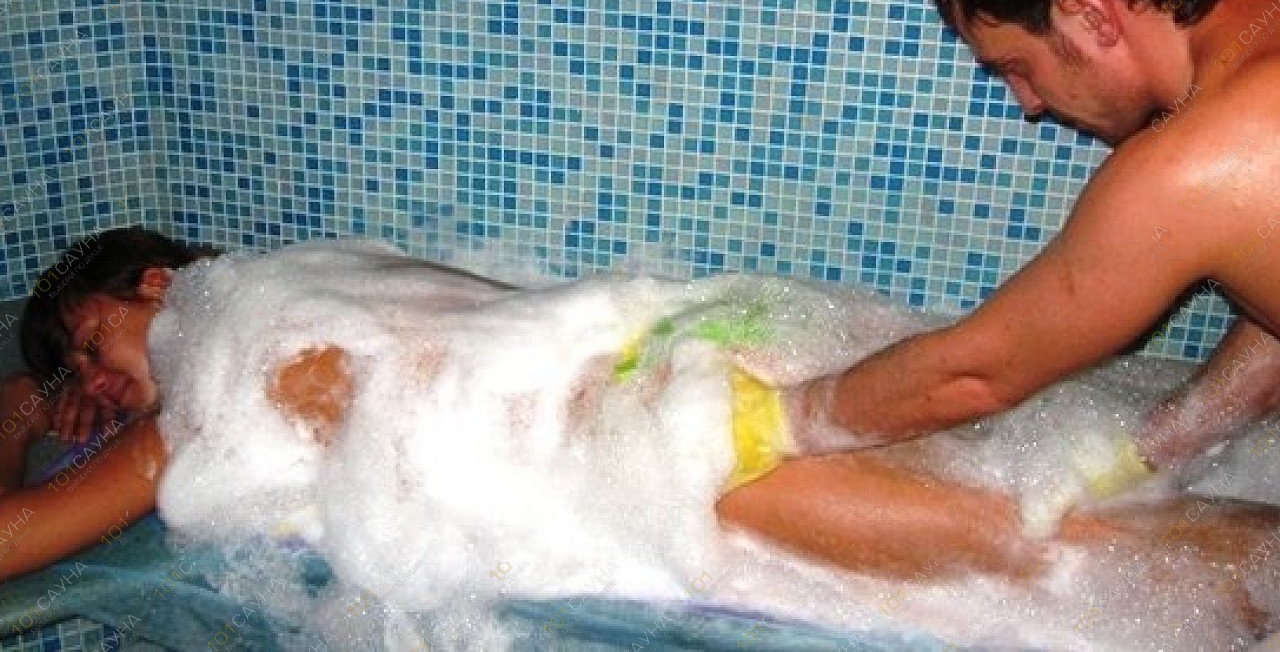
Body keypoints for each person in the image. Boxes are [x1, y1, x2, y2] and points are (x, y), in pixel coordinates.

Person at [1, 226, 1279, 646]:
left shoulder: (211, 385)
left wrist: (16, 416)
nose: (93, 387)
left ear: (157, 285)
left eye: (88, 347)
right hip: (693, 344)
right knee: (1062, 503)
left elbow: (13, 541)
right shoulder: (323, 269)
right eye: (67, 381)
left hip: (663, 445)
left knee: (1048, 554)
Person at [773, 0, 1280, 532]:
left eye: (1017, 66)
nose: (1030, 104)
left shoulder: (1189, 165)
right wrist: (1153, 453)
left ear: (1086, 15)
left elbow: (974, 374)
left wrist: (766, 422)